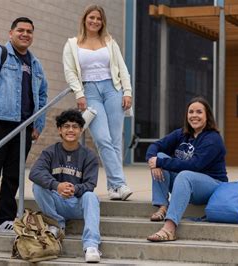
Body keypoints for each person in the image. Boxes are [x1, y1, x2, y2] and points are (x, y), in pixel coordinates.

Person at [0, 17, 48, 236]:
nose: (25, 34)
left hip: (24, 128)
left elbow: (42, 96)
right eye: (21, 30)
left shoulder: (35, 63)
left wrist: (38, 124)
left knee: (13, 175)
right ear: (11, 33)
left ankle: (5, 218)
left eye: (29, 31)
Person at [62, 5, 133, 201]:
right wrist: (79, 93)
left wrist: (127, 91)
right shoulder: (72, 44)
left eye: (99, 19)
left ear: (103, 22)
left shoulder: (110, 42)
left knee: (115, 140)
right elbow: (70, 72)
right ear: (85, 19)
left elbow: (122, 69)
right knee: (102, 139)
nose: (95, 21)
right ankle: (120, 183)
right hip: (90, 92)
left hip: (113, 90)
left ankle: (113, 187)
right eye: (91, 17)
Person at [145, 97, 228, 242]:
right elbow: (156, 145)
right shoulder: (182, 134)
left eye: (199, 112)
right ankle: (163, 206)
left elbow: (194, 165)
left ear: (207, 116)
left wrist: (161, 162)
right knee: (160, 156)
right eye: (191, 112)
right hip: (186, 184)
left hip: (211, 186)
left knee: (183, 173)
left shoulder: (213, 139)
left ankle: (169, 229)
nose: (194, 115)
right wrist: (154, 160)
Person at [29, 109, 102, 263]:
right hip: (57, 201)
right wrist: (57, 186)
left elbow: (90, 184)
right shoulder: (50, 152)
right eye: (66, 126)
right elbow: (34, 173)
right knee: (37, 186)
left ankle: (91, 245)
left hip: (77, 203)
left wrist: (74, 189)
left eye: (75, 127)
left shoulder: (89, 156)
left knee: (91, 196)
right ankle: (57, 224)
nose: (70, 130)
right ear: (60, 130)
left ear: (81, 130)